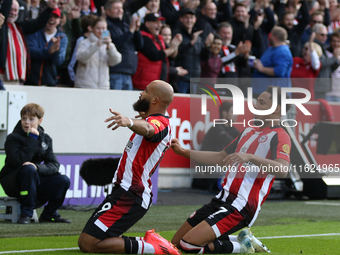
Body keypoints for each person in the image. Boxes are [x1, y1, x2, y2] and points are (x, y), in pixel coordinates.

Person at [170, 86, 291, 254]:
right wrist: (184, 152)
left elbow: (283, 169)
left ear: (276, 108)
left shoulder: (280, 135)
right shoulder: (248, 131)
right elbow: (220, 158)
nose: (255, 105)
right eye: (256, 101)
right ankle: (242, 239)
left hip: (241, 205)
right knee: (175, 244)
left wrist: (251, 157)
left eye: (261, 102)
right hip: (222, 198)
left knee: (189, 245)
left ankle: (242, 247)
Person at [78, 80, 180, 255]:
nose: (141, 93)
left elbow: (150, 129)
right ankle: (149, 244)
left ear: (155, 99)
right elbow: (148, 126)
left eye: (146, 90)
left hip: (132, 194)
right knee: (88, 240)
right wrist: (141, 118)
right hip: (126, 192)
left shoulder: (158, 123)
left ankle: (154, 248)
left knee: (88, 243)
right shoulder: (155, 120)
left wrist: (130, 121)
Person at [0, 103, 71, 224]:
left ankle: (49, 214)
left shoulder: (46, 139)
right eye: (24, 118)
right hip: (13, 182)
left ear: (40, 120)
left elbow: (54, 165)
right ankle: (26, 213)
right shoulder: (12, 138)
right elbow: (19, 161)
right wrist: (32, 138)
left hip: (34, 180)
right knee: (28, 169)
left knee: (63, 180)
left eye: (31, 119)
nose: (27, 122)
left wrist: (37, 167)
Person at [0, 0, 55, 85]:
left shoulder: (20, 26)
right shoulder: (2, 27)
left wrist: (50, 8)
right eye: (10, 9)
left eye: (15, 10)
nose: (12, 13)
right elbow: (5, 11)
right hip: (2, 74)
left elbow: (37, 23)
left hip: (17, 76)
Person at [132, 13, 182, 91]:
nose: (159, 25)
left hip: (157, 83)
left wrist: (175, 45)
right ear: (147, 24)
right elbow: (154, 56)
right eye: (156, 22)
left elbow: (172, 55)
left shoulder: (159, 38)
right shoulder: (143, 37)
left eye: (160, 23)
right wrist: (172, 48)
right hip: (144, 84)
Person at [105, 0, 143, 90]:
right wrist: (130, 31)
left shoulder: (126, 25)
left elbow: (140, 45)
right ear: (107, 11)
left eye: (121, 8)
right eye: (116, 8)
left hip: (128, 72)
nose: (119, 10)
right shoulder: (106, 25)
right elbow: (114, 43)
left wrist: (136, 30)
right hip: (115, 71)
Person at [24, 8, 68, 86]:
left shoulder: (62, 37)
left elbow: (59, 61)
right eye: (50, 16)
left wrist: (56, 51)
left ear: (59, 21)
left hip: (50, 82)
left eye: (56, 17)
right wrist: (49, 51)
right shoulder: (34, 32)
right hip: (30, 81)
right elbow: (30, 52)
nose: (52, 19)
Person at [74, 17, 121, 89]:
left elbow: (116, 61)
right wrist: (96, 45)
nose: (101, 31)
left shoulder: (109, 45)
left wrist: (109, 48)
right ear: (92, 29)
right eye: (98, 28)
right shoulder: (84, 42)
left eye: (104, 28)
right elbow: (81, 58)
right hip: (85, 85)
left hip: (103, 87)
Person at [252, 26, 293, 97]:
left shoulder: (283, 51)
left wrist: (261, 68)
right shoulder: (272, 48)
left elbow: (279, 71)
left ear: (275, 37)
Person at [291, 32, 322, 100]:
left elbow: (315, 63)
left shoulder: (314, 65)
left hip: (306, 99)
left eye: (307, 49)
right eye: (304, 48)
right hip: (291, 97)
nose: (304, 50)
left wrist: (310, 43)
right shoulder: (296, 60)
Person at [313, 23, 340, 99]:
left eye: (326, 35)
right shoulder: (314, 47)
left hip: (329, 89)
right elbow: (319, 64)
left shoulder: (323, 47)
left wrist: (336, 61)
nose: (324, 37)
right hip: (322, 88)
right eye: (322, 35)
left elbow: (330, 69)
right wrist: (334, 58)